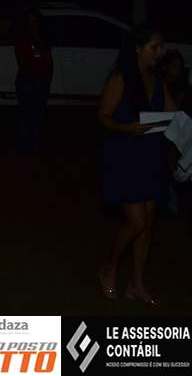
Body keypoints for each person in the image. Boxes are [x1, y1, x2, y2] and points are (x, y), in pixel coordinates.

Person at [98, 25, 177, 306]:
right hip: (125, 155)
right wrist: (127, 128)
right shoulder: (121, 78)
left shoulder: (157, 79)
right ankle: (109, 266)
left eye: (161, 47)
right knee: (137, 222)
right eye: (154, 47)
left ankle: (136, 283)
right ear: (138, 49)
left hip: (151, 156)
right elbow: (103, 116)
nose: (160, 52)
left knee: (148, 225)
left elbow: (172, 113)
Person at [14, 8, 53, 152]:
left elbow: (48, 61)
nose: (33, 24)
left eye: (35, 21)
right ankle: (24, 147)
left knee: (38, 114)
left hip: (42, 82)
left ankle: (35, 145)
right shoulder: (23, 40)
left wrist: (47, 78)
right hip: (28, 82)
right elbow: (23, 63)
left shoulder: (43, 40)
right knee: (26, 114)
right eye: (30, 21)